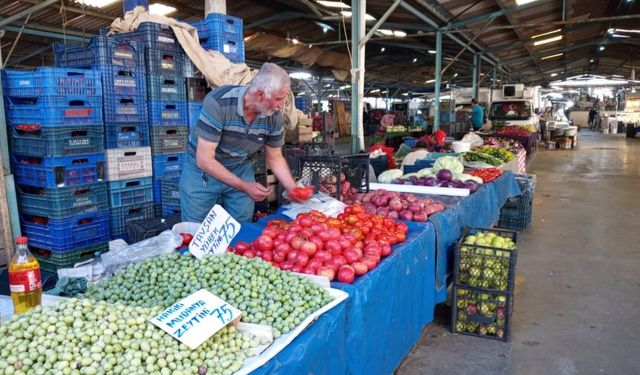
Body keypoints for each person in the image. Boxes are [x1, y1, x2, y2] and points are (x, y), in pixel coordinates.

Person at [179, 63, 300, 224]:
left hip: (240, 166)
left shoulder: (274, 115)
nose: (281, 105)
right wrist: (244, 186)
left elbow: (275, 157)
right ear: (260, 94)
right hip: (202, 171)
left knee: (241, 226)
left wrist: (292, 187)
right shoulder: (219, 103)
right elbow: (205, 159)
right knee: (195, 229)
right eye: (278, 99)